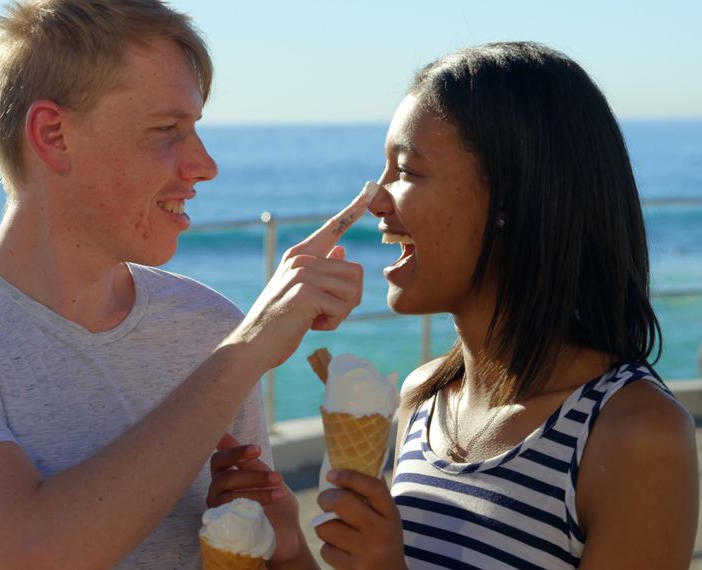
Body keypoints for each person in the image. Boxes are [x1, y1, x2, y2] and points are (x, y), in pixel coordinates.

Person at [0, 1, 364, 568]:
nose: (204, 166)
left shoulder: (206, 325)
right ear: (54, 134)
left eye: (195, 131)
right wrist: (249, 349)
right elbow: (35, 546)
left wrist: (282, 550)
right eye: (167, 131)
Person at [211, 42, 699, 569]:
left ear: (511, 199)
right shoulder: (423, 399)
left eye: (407, 170)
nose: (376, 199)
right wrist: (286, 549)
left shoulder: (635, 433)